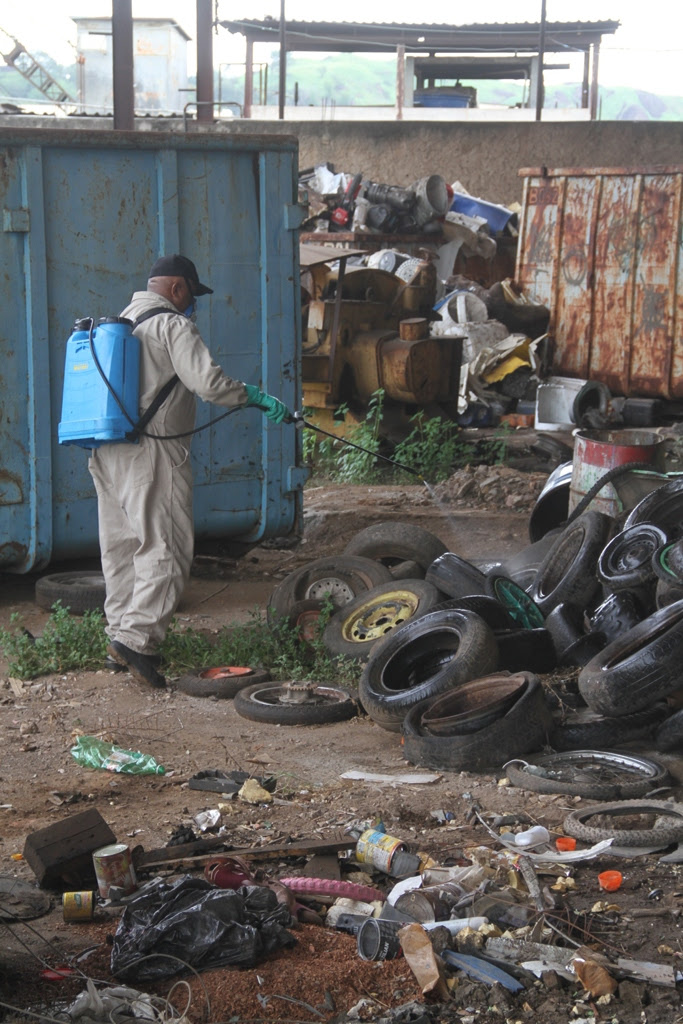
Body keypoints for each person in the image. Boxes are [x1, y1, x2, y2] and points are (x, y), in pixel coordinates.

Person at [88, 254, 290, 689]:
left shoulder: (119, 322)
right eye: (191, 295)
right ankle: (138, 643)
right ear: (177, 288)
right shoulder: (171, 325)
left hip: (107, 450)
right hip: (153, 453)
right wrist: (252, 396)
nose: (191, 305)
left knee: (122, 547)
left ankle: (119, 635)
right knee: (167, 545)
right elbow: (209, 383)